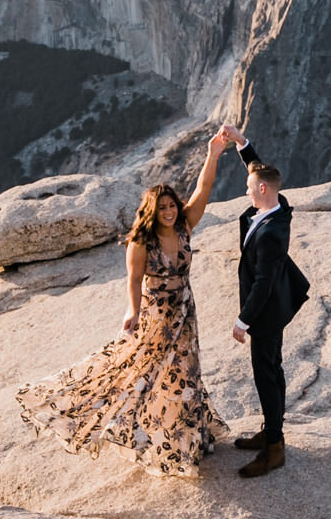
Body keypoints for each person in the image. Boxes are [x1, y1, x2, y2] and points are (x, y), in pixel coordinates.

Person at [17, 128, 231, 478]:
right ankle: (155, 440)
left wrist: (213, 154)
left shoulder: (184, 227)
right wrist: (132, 312)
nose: (168, 211)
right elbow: (133, 281)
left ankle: (187, 440)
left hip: (184, 313)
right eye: (161, 207)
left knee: (184, 374)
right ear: (151, 210)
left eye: (172, 205)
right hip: (157, 314)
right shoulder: (141, 242)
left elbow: (203, 189)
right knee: (148, 374)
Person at [227, 134, 308, 480]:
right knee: (272, 368)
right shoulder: (276, 204)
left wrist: (243, 321)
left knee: (266, 373)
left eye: (249, 187)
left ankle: (274, 447)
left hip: (266, 312)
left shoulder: (273, 231)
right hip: (269, 308)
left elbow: (264, 282)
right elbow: (257, 170)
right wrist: (242, 142)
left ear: (262, 190)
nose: (246, 191)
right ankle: (272, 429)